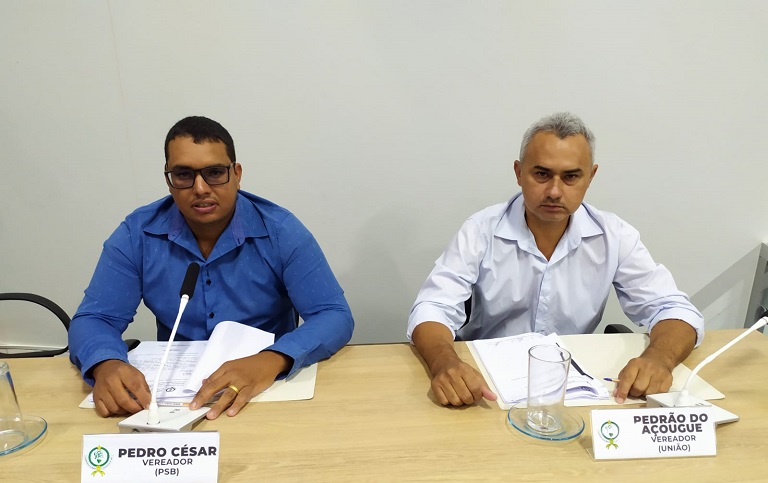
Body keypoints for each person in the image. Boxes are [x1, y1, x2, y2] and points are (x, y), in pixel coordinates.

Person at [407, 112, 703, 407]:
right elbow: (432, 308)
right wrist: (445, 362)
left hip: (573, 388)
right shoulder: (480, 230)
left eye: (571, 177)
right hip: (486, 385)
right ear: (518, 172)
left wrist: (659, 359)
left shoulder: (614, 236)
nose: (554, 192)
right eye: (541, 174)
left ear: (591, 177)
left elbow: (673, 309)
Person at [70, 116, 354, 420]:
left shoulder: (280, 231)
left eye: (215, 173)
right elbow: (95, 318)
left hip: (266, 389)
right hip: (175, 399)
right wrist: (105, 363)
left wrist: (273, 360)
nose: (201, 188)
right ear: (169, 179)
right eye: (183, 175)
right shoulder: (137, 234)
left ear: (237, 174)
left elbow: (333, 315)